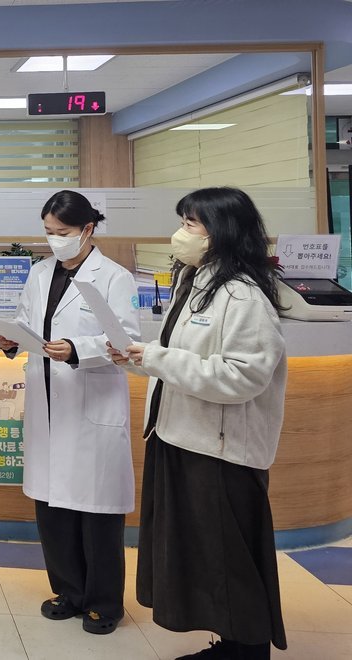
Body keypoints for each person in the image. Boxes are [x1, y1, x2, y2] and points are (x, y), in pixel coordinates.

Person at [108, 187, 287, 659]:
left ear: (221, 232)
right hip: (182, 437)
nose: (180, 233)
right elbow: (182, 357)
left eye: (191, 224)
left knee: (229, 558)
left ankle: (247, 650)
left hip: (222, 450)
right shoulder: (197, 282)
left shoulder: (243, 295)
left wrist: (158, 358)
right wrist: (139, 359)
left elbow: (243, 376)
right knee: (207, 556)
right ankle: (229, 643)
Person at [0, 189, 141, 634]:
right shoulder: (40, 273)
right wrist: (11, 340)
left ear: (87, 229)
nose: (54, 240)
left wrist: (78, 348)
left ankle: (103, 603)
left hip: (90, 402)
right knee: (53, 507)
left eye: (62, 232)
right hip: (47, 401)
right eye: (48, 232)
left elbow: (127, 339)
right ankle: (68, 591)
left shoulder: (114, 277)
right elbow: (27, 322)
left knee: (95, 514)